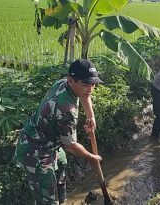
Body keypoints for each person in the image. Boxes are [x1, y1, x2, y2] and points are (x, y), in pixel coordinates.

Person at [15, 59, 103, 205]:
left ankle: (62, 201)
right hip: (35, 150)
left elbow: (85, 95)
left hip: (51, 144)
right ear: (71, 80)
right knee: (47, 199)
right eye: (86, 84)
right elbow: (70, 146)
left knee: (61, 170)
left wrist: (91, 116)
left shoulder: (66, 83)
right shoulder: (66, 109)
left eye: (93, 84)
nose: (90, 88)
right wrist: (91, 157)